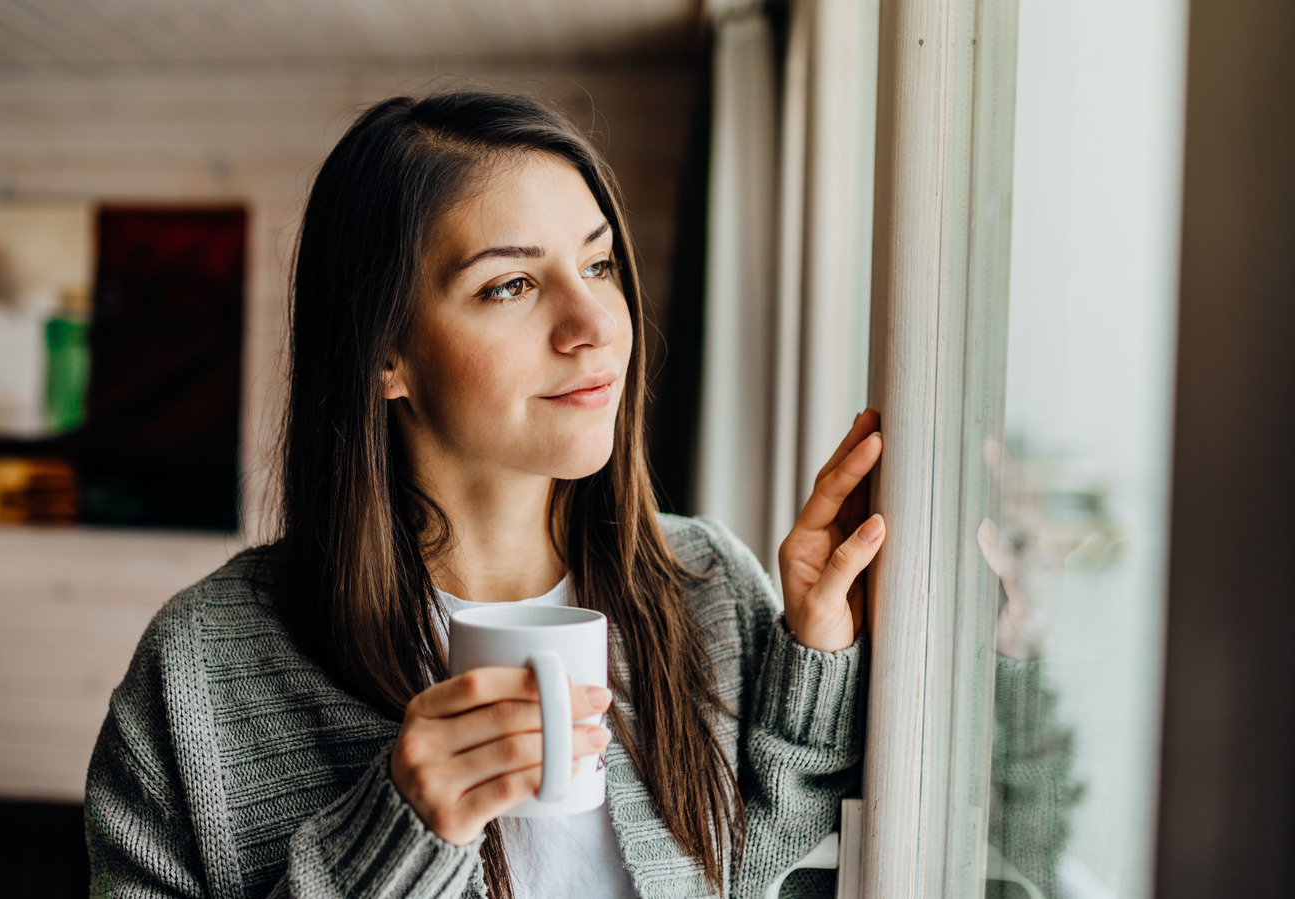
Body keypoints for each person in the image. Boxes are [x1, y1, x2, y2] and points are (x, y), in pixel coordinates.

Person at [84, 90, 888, 899]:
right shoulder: (200, 669)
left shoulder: (710, 587)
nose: (595, 323)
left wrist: (814, 662)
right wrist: (395, 839)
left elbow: (768, 879)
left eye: (598, 264)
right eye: (509, 284)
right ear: (384, 353)